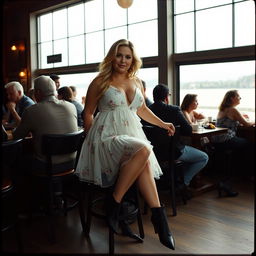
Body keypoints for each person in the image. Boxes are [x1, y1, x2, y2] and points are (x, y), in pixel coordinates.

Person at [75, 39, 176, 250]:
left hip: (130, 137)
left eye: (127, 56)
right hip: (105, 139)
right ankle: (119, 203)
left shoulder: (136, 81)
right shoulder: (100, 81)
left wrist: (163, 123)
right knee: (145, 149)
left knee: (144, 159)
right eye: (119, 55)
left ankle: (158, 220)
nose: (123, 60)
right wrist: (90, 140)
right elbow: (88, 113)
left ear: (133, 60)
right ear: (112, 56)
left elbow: (141, 110)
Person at [12, 75, 78, 213]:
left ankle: (28, 205)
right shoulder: (71, 107)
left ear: (37, 93)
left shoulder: (32, 111)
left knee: (19, 161)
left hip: (47, 167)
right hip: (72, 164)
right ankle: (53, 197)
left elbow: (17, 136)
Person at [146, 84, 208, 194]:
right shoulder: (174, 110)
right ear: (166, 97)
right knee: (203, 157)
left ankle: (174, 181)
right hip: (173, 152)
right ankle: (183, 183)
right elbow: (188, 130)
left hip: (152, 153)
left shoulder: (147, 111)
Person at [211, 90, 255, 195]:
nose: (240, 98)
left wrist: (241, 117)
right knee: (250, 145)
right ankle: (248, 174)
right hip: (227, 139)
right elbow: (247, 124)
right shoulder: (233, 110)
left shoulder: (222, 109)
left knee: (243, 145)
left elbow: (232, 120)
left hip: (217, 140)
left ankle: (236, 175)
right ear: (232, 98)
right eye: (238, 97)